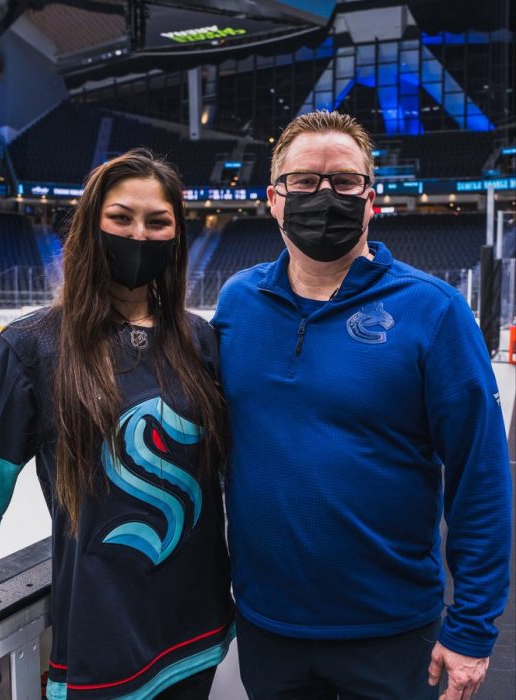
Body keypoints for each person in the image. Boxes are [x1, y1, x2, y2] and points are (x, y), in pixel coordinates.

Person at [212, 110, 512, 700]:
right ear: (273, 199)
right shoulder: (237, 302)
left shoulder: (435, 311)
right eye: (304, 182)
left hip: (394, 636)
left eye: (344, 181)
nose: (325, 195)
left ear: (371, 199)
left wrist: (473, 629)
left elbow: (480, 477)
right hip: (269, 630)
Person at [0, 148, 234, 699]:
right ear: (90, 226)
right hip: (102, 642)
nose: (139, 235)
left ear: (177, 236)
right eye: (121, 218)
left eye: (159, 222)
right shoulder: (32, 345)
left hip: (197, 629)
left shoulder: (200, 339)